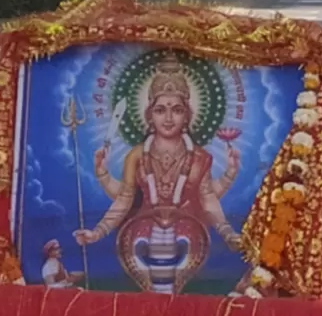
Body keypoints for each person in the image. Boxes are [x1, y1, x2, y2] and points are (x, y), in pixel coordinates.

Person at [76, 58, 243, 292]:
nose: (168, 118)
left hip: (188, 234)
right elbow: (124, 200)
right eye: (160, 110)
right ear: (149, 115)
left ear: (187, 116)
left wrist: (227, 233)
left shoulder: (199, 156)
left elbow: (207, 199)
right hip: (141, 235)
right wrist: (97, 232)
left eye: (177, 110)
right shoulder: (136, 156)